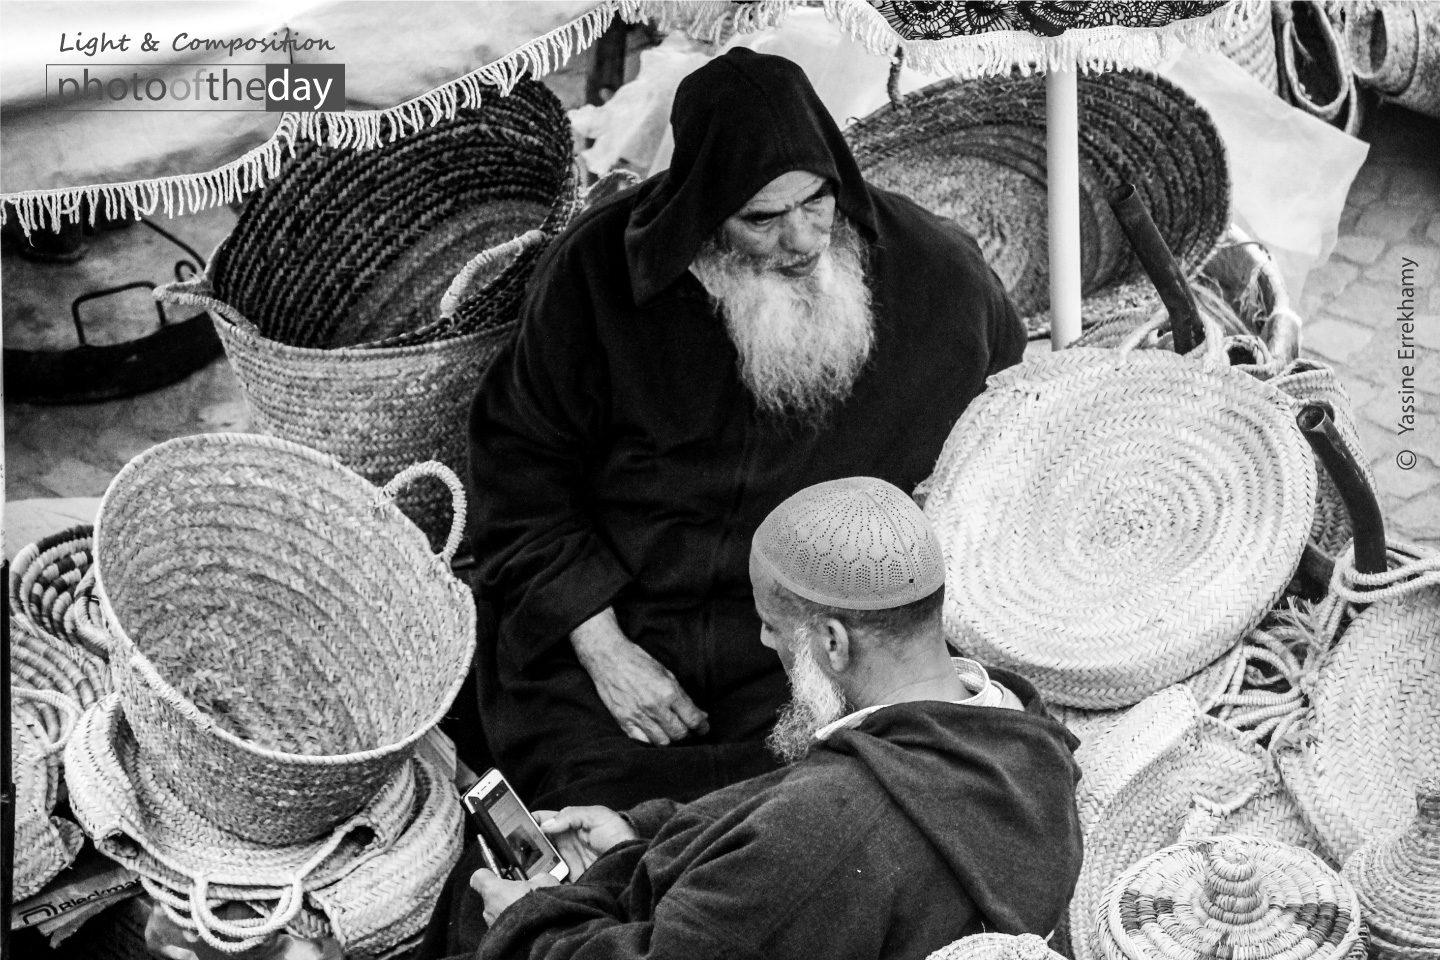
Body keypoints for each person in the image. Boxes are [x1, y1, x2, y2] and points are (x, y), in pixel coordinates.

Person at [468, 47, 1028, 810]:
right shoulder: (595, 278)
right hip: (619, 622)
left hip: (807, 647)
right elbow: (521, 471)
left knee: (819, 806)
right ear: (702, 212)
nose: (800, 240)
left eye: (817, 204)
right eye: (761, 219)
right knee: (591, 814)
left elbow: (1007, 423)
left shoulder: (935, 274)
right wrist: (603, 651)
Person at [417, 478, 1083, 960]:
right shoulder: (1019, 737)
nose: (764, 644)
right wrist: (635, 841)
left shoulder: (828, 833)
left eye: (771, 626)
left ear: (831, 642)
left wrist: (529, 925)